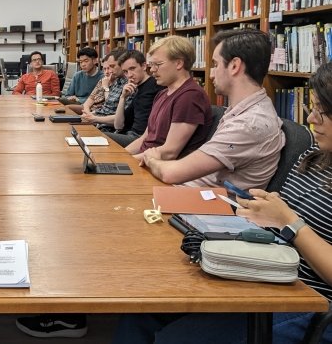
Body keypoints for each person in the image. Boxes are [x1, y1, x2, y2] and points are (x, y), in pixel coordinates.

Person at [112, 62, 332, 344]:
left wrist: (290, 222)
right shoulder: (316, 155)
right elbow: (286, 212)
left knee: (176, 338)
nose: (312, 119)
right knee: (142, 308)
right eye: (311, 108)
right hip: (268, 267)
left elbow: (291, 222)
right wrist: (264, 207)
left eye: (322, 112)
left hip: (308, 299)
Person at [142, 29, 285, 189]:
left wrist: (152, 159)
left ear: (235, 66)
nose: (211, 75)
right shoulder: (242, 110)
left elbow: (171, 173)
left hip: (208, 206)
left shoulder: (249, 124)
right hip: (191, 192)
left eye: (216, 65)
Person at [126, 36, 212, 161]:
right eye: (151, 65)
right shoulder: (162, 94)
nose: (152, 70)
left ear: (179, 63)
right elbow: (145, 138)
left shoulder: (190, 96)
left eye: (158, 64)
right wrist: (121, 156)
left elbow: (170, 152)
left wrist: (129, 161)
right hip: (144, 160)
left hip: (159, 168)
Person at [103, 50, 164, 147]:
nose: (129, 75)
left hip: (141, 139)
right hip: (129, 135)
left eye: (132, 69)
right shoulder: (136, 89)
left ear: (144, 66)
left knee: (101, 137)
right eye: (125, 72)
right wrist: (122, 98)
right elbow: (118, 125)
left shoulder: (156, 86)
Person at [80, 49, 129, 131]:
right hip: (96, 116)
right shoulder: (115, 81)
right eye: (104, 69)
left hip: (104, 124)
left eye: (111, 67)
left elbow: (114, 113)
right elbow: (92, 102)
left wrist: (106, 88)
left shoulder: (127, 85)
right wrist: (89, 114)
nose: (108, 72)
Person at [65, 47, 102, 111]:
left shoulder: (102, 77)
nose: (83, 64)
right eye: (80, 62)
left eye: (86, 61)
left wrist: (79, 99)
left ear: (95, 61)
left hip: (92, 108)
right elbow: (67, 95)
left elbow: (99, 99)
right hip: (75, 105)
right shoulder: (77, 75)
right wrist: (71, 98)